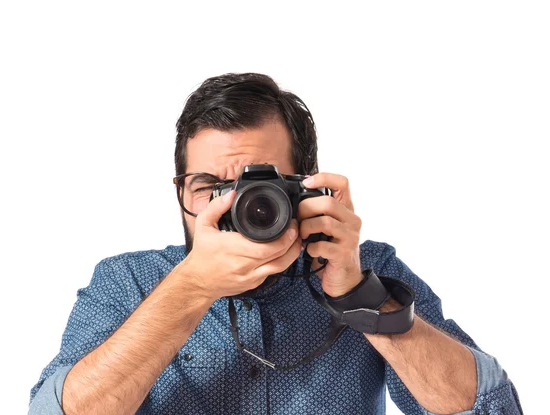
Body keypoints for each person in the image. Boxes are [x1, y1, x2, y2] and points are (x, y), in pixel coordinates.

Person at [29, 73, 522, 415]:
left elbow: (489, 408)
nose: (234, 210)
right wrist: (189, 290)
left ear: (305, 186)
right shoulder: (128, 282)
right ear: (180, 192)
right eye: (207, 188)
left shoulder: (366, 269)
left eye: (255, 189)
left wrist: (358, 297)